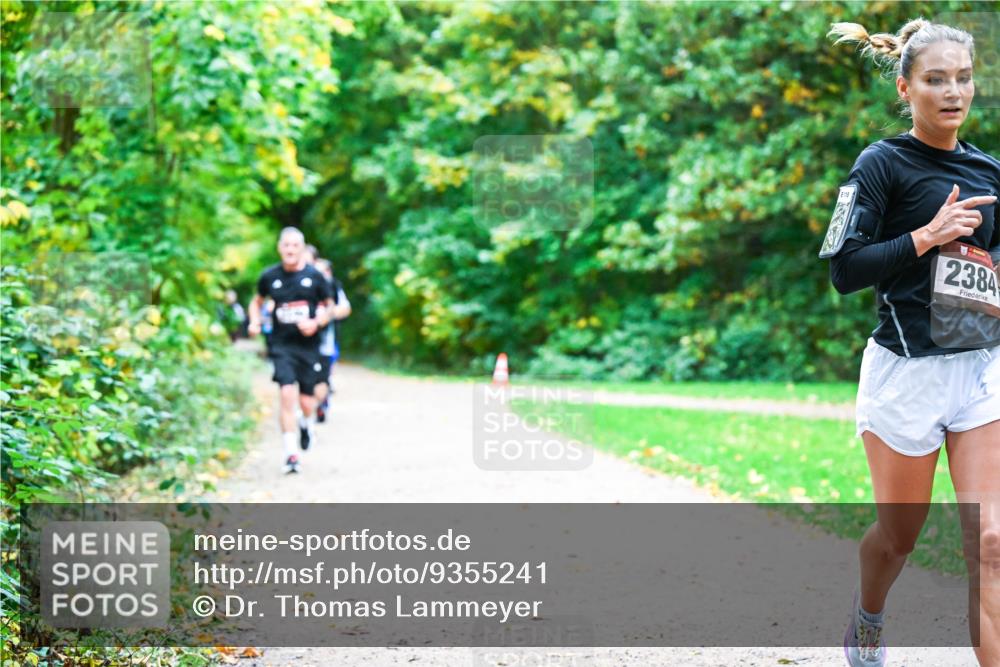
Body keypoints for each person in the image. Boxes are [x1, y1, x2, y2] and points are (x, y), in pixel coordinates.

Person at [824, 18, 999, 667]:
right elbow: (845, 269)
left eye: (963, 78)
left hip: (981, 369)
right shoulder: (879, 165)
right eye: (936, 79)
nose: (953, 92)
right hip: (906, 373)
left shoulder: (990, 171)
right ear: (905, 87)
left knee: (991, 541)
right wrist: (927, 236)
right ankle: (868, 615)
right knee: (899, 537)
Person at [247, 227, 334, 474]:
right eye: (286, 245)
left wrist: (316, 322)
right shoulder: (269, 276)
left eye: (295, 245)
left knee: (307, 402)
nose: (290, 250)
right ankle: (291, 454)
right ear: (279, 248)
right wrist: (254, 321)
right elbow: (256, 301)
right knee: (286, 393)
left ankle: (306, 423)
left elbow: (330, 306)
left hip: (308, 347)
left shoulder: (315, 277)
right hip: (281, 345)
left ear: (302, 248)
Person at [313, 258, 351, 421]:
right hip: (302, 341)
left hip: (326, 340)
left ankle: (321, 404)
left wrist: (327, 314)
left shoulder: (334, 287)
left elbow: (345, 309)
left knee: (323, 374)